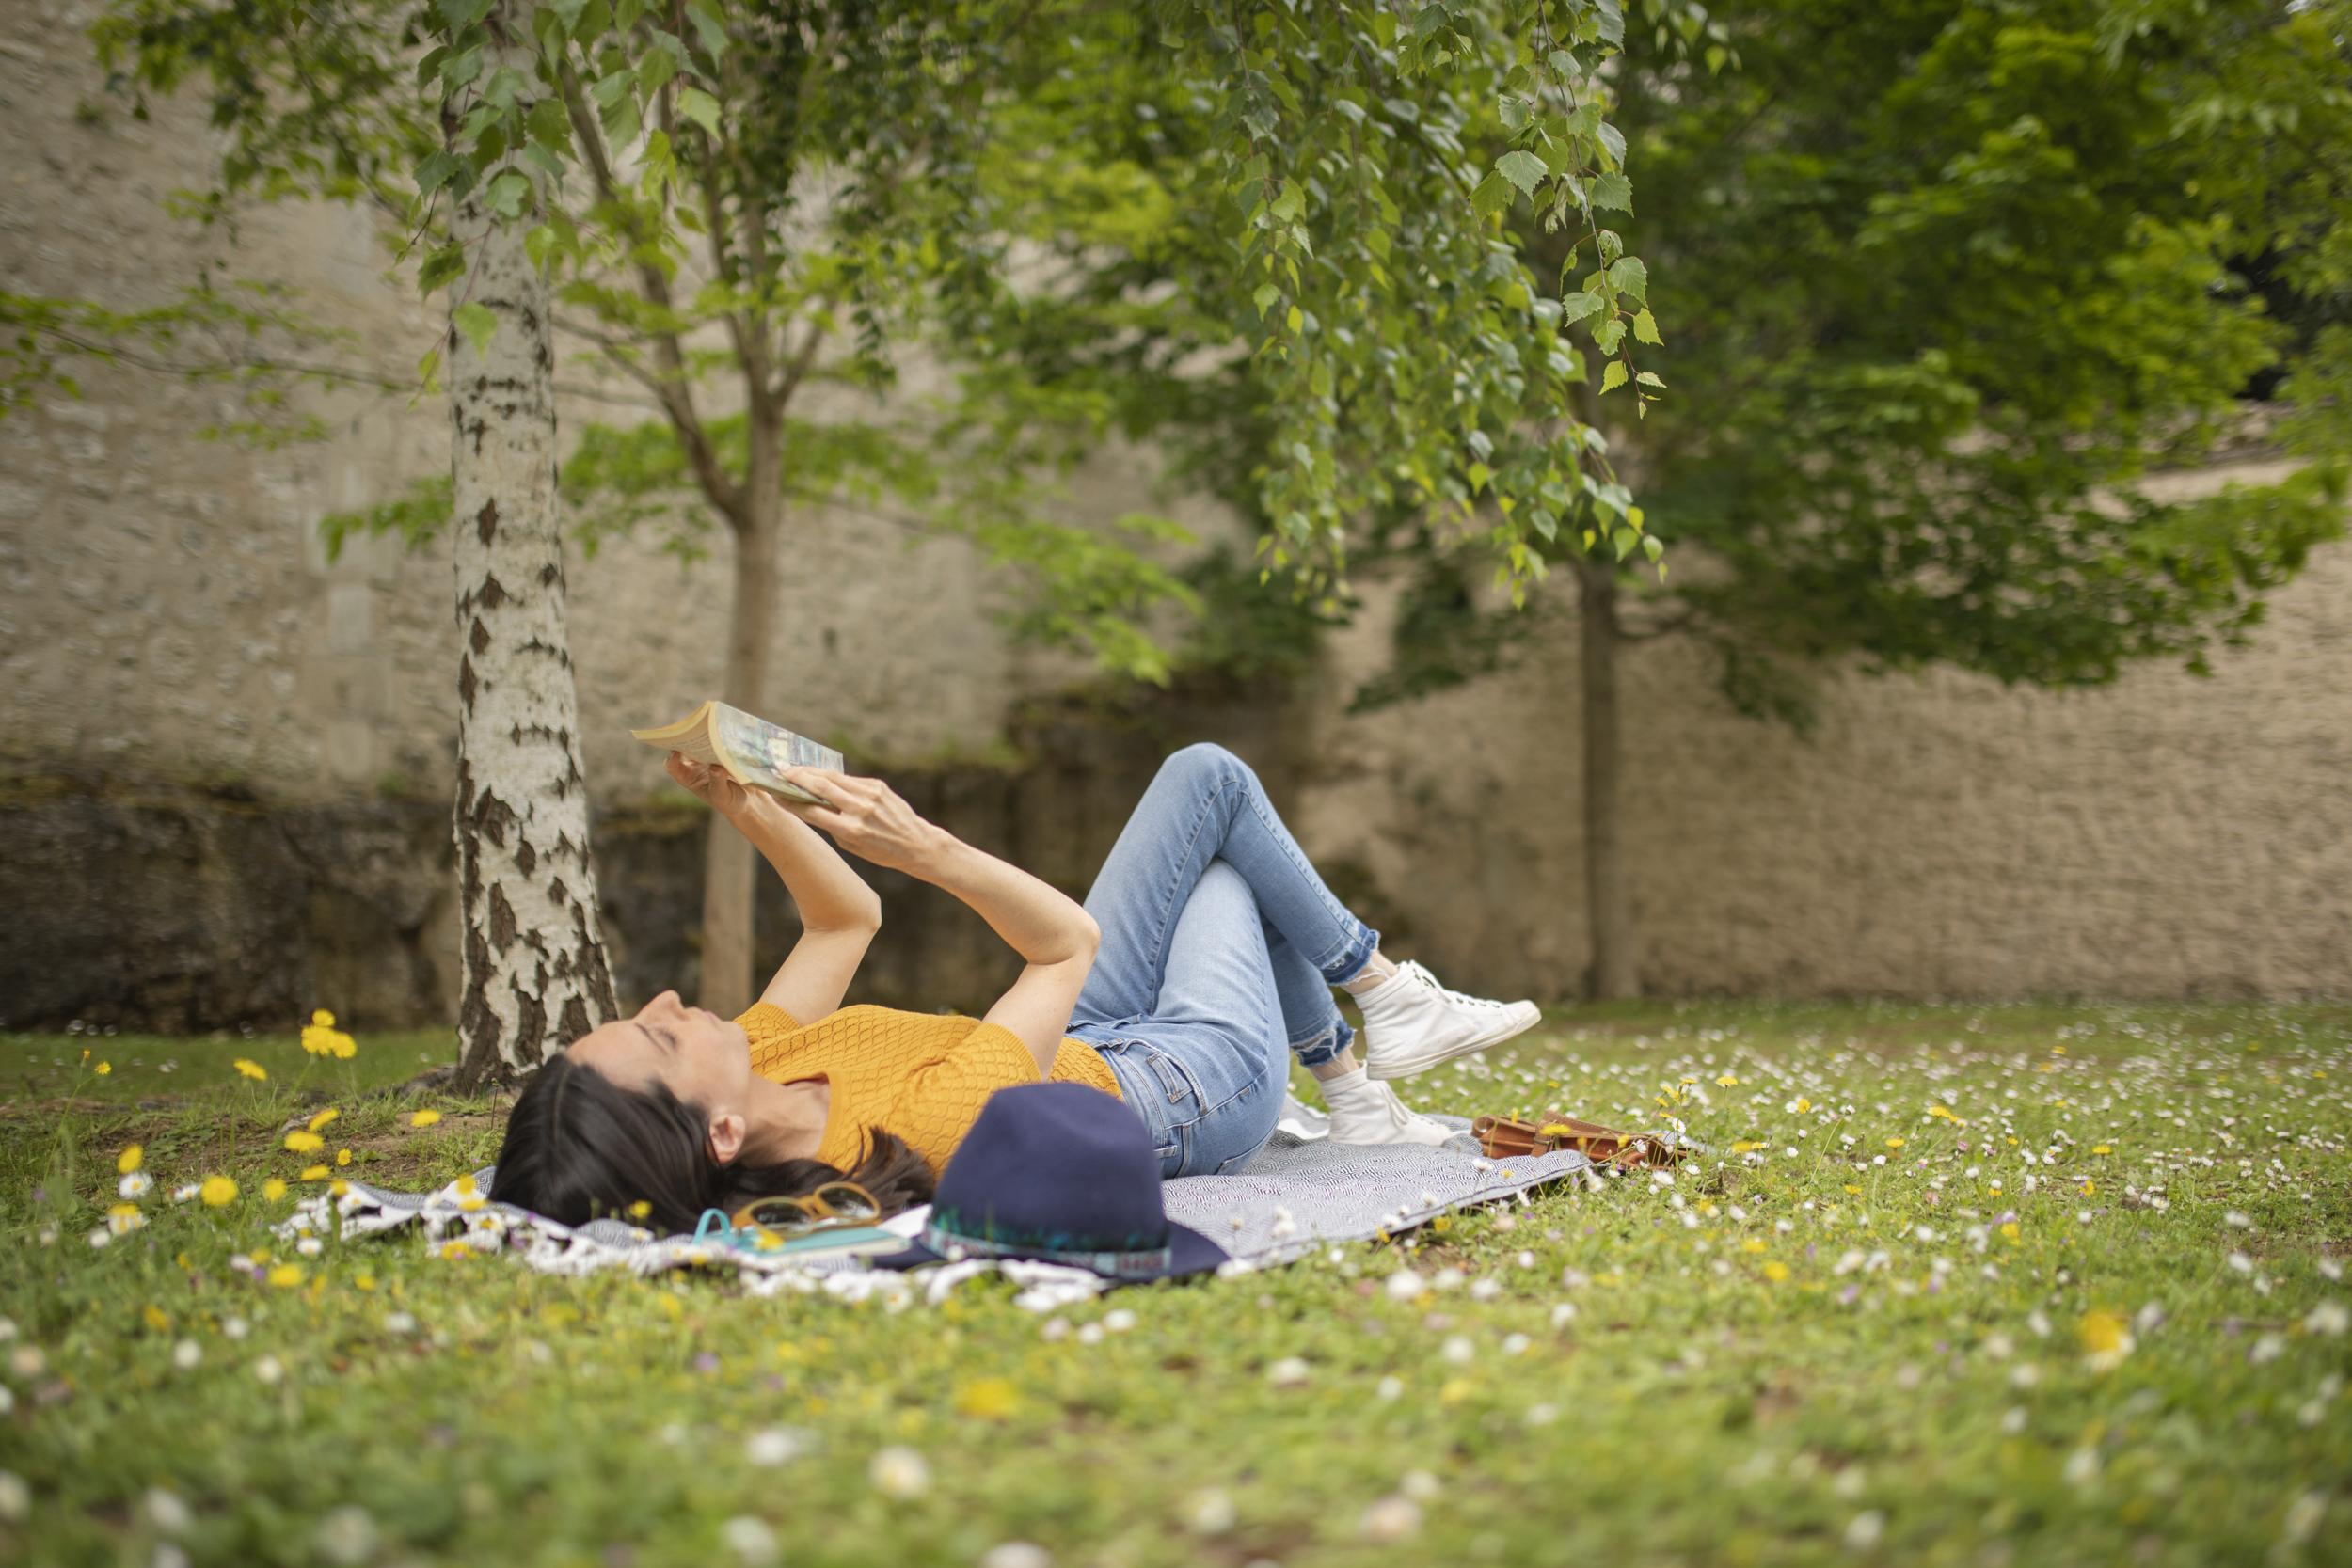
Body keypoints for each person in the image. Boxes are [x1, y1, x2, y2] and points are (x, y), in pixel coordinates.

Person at [493, 743, 1542, 1232]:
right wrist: (925, 844)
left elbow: (841, 920)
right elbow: (1061, 946)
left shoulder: (755, 1063)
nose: (669, 1003)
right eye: (660, 1038)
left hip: (1083, 1037)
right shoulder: (912, 1132)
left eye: (641, 1016)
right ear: (717, 1135)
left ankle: (1363, 1070)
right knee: (1226, 841)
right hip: (1186, 1087)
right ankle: (1375, 1003)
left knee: (1203, 783)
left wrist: (753, 805)